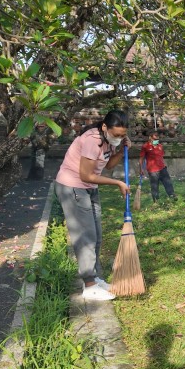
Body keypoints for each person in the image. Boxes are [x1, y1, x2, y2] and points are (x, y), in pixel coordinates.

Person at [55, 110, 131, 301]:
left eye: (123, 135)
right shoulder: (91, 140)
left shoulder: (108, 140)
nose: (120, 138)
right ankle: (89, 286)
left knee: (96, 234)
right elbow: (85, 175)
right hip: (73, 187)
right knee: (86, 235)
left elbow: (109, 166)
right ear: (105, 127)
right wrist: (118, 183)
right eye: (117, 135)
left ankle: (95, 278)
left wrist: (122, 150)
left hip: (89, 188)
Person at [140, 130, 177, 202]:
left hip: (162, 168)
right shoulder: (145, 146)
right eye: (155, 136)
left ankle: (172, 196)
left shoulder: (160, 146)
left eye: (158, 136)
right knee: (154, 186)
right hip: (152, 170)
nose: (157, 138)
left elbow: (161, 157)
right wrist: (141, 169)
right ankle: (156, 200)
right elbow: (141, 159)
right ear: (150, 137)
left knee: (168, 182)